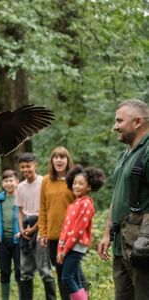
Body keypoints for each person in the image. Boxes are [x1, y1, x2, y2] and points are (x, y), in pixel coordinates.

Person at [98, 99, 149, 300]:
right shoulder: (124, 154)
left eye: (119, 121)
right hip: (120, 246)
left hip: (141, 248)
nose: (115, 126)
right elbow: (117, 195)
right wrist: (106, 234)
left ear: (137, 122)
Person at [38, 146, 88, 299]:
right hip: (53, 236)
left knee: (73, 273)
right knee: (61, 274)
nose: (59, 160)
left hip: (71, 237)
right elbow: (43, 207)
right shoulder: (46, 180)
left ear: (68, 161)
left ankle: (83, 296)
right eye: (56, 157)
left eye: (62, 157)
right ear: (52, 160)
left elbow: (82, 206)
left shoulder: (75, 181)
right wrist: (43, 232)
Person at [57, 165, 105, 300]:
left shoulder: (86, 204)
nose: (76, 186)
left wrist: (65, 250)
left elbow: (78, 231)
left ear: (89, 187)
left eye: (80, 184)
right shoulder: (73, 205)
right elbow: (65, 230)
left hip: (76, 246)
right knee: (75, 278)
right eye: (74, 183)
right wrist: (60, 248)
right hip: (68, 246)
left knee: (67, 278)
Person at [16, 153, 56, 300]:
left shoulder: (43, 182)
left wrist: (34, 229)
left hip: (41, 226)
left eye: (28, 166)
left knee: (44, 269)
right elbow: (19, 210)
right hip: (25, 227)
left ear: (35, 165)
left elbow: (46, 209)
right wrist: (21, 229)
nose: (26, 169)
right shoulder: (20, 186)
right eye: (22, 167)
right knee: (25, 271)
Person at [0, 170, 21, 300]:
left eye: (11, 180)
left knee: (20, 271)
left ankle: (22, 296)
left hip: (19, 240)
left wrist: (24, 231)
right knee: (4, 271)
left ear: (17, 182)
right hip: (3, 241)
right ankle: (5, 297)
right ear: (3, 183)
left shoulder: (21, 198)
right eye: (6, 181)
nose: (8, 183)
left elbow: (27, 215)